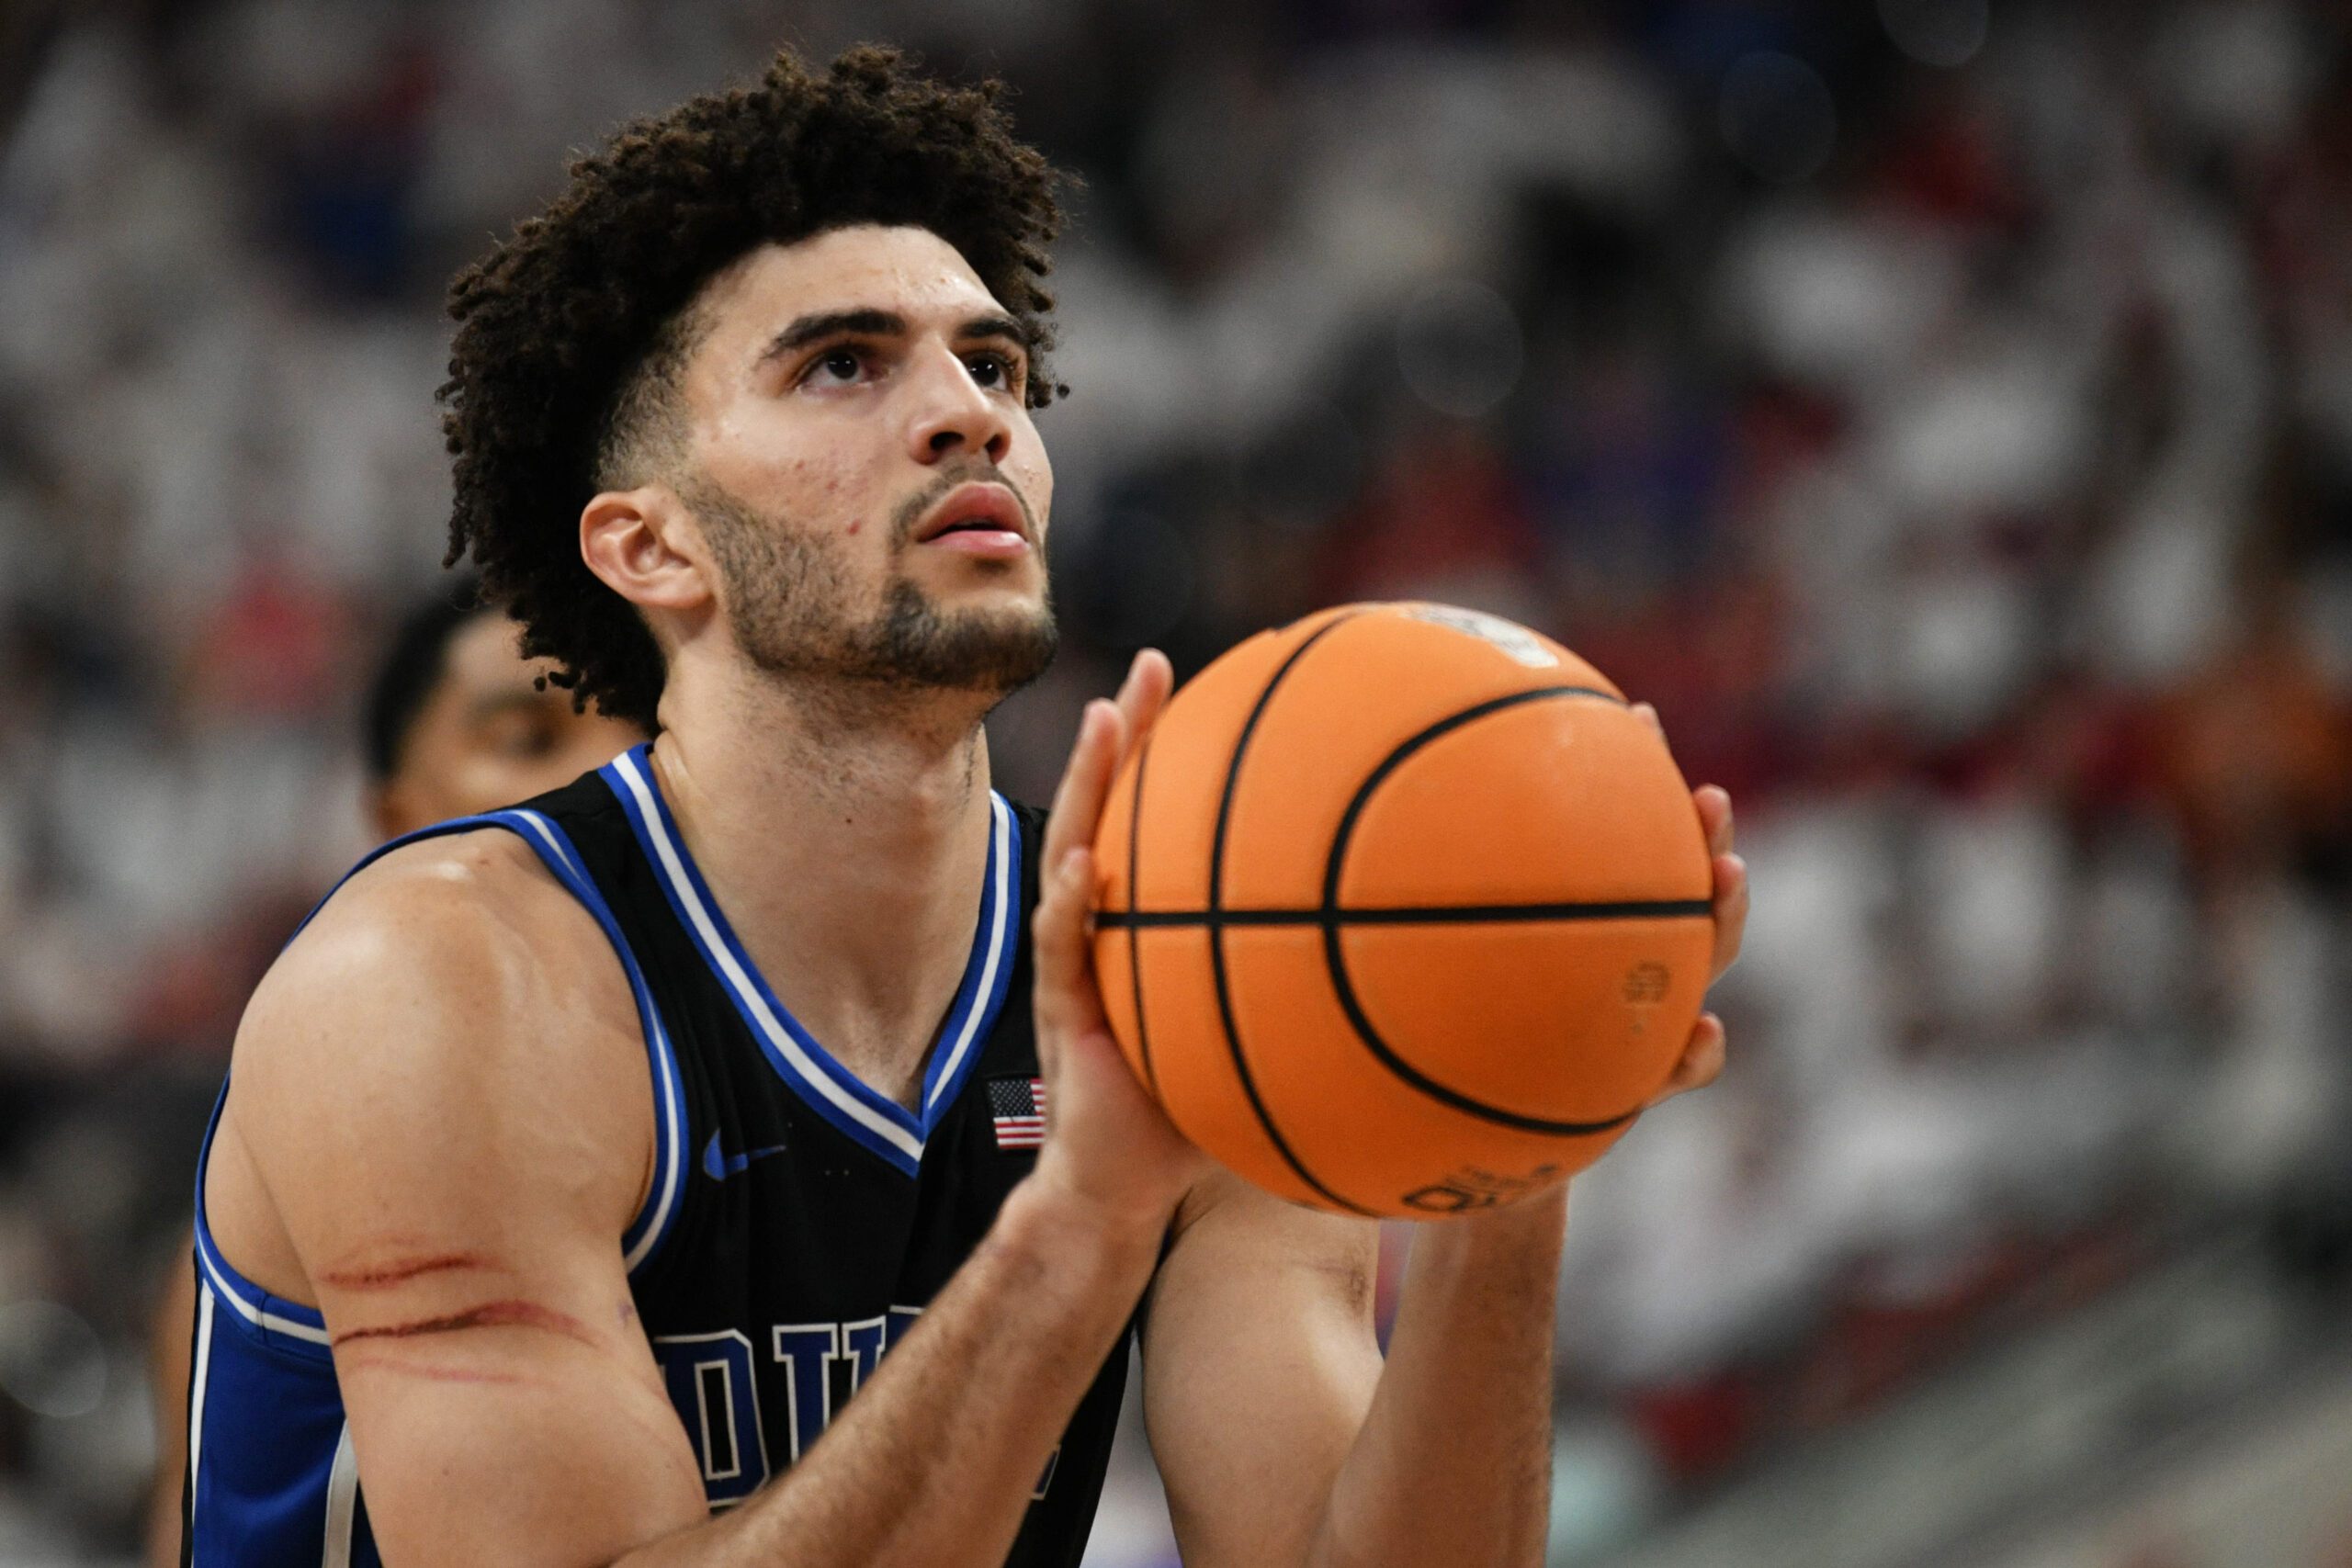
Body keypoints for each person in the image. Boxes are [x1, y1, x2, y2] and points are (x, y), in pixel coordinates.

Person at [187, 45, 1748, 1567]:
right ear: (653, 549)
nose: (968, 413)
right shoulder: (437, 992)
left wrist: (1505, 1159)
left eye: (991, 364)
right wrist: (1075, 1233)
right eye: (843, 365)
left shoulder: (1202, 953)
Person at [147, 581, 645, 1565]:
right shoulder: (329, 1126)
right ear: (391, 815)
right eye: (528, 739)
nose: (611, 775)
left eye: (645, 731)